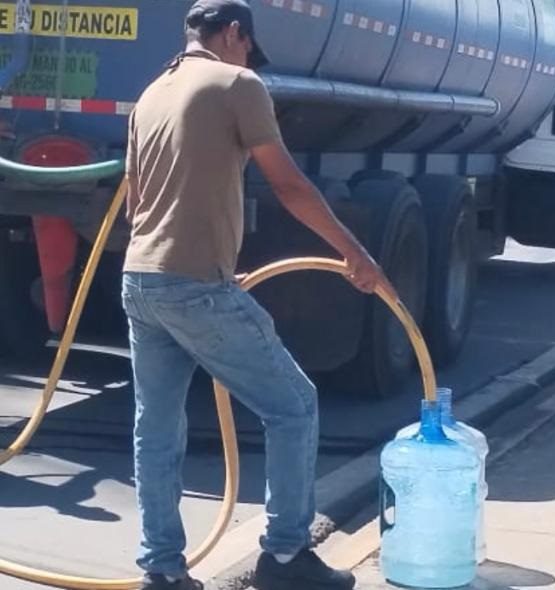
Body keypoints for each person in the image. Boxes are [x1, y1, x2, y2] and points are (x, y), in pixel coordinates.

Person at [121, 1, 389, 589]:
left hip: (141, 281)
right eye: (249, 48)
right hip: (192, 284)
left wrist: (206, 269)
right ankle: (287, 558)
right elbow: (290, 187)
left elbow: (141, 203)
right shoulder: (238, 84)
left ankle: (162, 572)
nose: (251, 61)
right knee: (293, 405)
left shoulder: (151, 94)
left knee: (157, 428)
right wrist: (355, 252)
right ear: (234, 34)